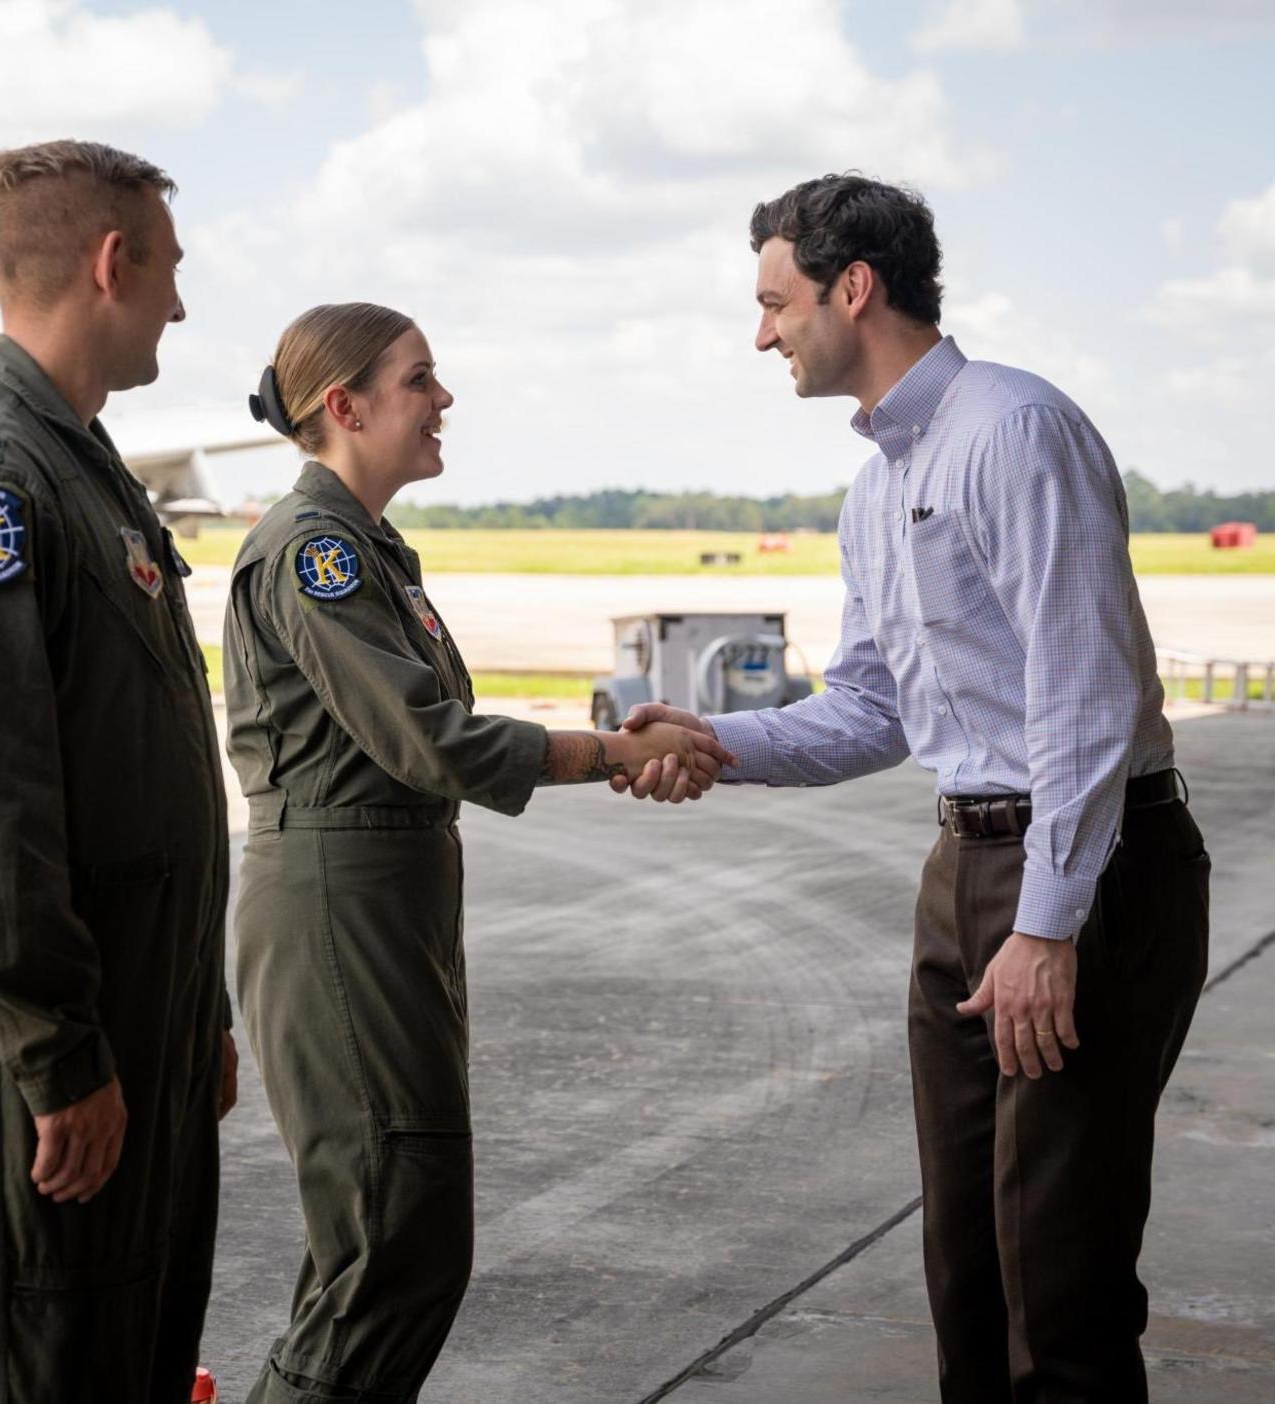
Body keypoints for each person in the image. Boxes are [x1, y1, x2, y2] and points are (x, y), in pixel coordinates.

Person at [618, 173, 1207, 1403]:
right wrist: (714, 740)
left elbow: (1086, 700)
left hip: (1086, 868)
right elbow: (872, 712)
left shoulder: (1013, 431)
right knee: (967, 1270)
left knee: (1061, 1277)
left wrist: (1048, 925)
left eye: (775, 303)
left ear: (855, 287)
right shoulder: (879, 484)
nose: (762, 333)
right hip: (965, 872)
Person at [223, 302, 731, 1402]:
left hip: (382, 897)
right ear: (345, 407)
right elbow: (424, 735)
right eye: (420, 380)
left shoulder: (366, 548)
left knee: (391, 1225)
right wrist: (603, 749)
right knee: (393, 1238)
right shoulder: (314, 549)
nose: (443, 400)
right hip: (337, 900)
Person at [0, 140, 233, 1404]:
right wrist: (54, 1049)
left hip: (121, 1034)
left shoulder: (78, 464)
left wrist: (194, 1019)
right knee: (23, 1360)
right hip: (26, 1066)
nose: (178, 305)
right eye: (169, 272)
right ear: (111, 263)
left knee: (113, 1353)